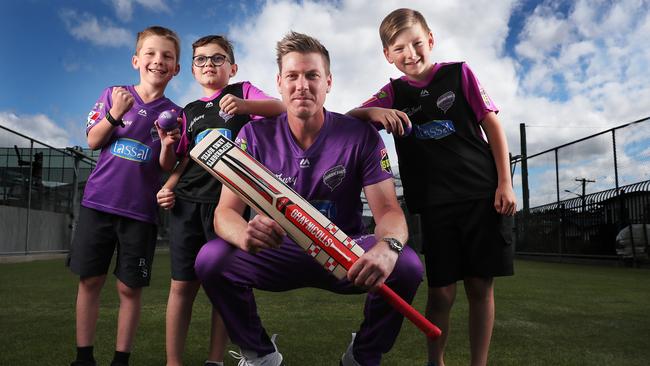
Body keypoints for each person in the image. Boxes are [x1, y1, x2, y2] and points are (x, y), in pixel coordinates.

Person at [193, 31, 424, 366]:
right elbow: (225, 213)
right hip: (278, 251)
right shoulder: (253, 136)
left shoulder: (359, 135)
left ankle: (362, 356)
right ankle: (259, 354)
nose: (302, 85)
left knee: (407, 265)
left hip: (345, 250)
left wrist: (388, 247)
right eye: (293, 76)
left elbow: (388, 209)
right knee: (210, 259)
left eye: (312, 75)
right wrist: (244, 234)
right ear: (280, 83)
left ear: (328, 82)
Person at [347, 8, 517, 366]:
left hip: (481, 196)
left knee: (480, 287)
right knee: (441, 292)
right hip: (435, 206)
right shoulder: (392, 93)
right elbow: (349, 121)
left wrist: (505, 182)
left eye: (416, 43)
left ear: (430, 40)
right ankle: (434, 362)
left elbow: (494, 126)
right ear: (387, 56)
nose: (410, 53)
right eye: (399, 48)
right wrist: (373, 113)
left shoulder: (459, 73)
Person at [156, 35, 285, 366]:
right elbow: (182, 160)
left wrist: (245, 107)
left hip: (230, 206)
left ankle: (215, 361)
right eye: (201, 59)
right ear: (193, 69)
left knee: (223, 285)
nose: (209, 65)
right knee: (181, 286)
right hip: (187, 202)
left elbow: (279, 108)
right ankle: (173, 361)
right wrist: (169, 179)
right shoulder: (189, 111)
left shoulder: (242, 91)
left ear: (232, 66)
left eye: (217, 58)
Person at [67, 26, 181, 366]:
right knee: (91, 280)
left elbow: (167, 165)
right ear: (136, 60)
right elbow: (92, 140)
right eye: (150, 53)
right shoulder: (113, 94)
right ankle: (84, 357)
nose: (158, 61)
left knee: (129, 289)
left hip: (140, 212)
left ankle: (121, 360)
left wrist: (166, 144)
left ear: (175, 68)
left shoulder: (175, 114)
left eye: (167, 56)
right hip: (98, 203)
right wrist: (115, 112)